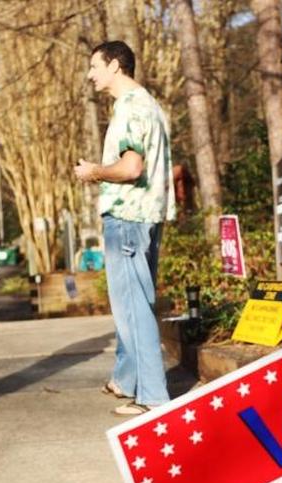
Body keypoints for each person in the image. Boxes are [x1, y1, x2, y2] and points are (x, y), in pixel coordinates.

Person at [75, 41, 176, 416]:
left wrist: (94, 172)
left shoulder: (133, 107)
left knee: (134, 308)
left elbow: (131, 168)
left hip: (129, 219)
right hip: (143, 217)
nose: (90, 74)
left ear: (115, 65)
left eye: (95, 66)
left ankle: (152, 397)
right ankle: (128, 379)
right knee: (132, 306)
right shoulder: (145, 105)